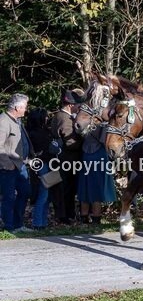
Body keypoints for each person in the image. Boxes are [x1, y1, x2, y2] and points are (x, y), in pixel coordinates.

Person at [77, 109, 117, 224]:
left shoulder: (85, 122)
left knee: (85, 187)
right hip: (99, 156)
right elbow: (104, 141)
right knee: (97, 189)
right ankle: (96, 218)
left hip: (85, 155)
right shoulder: (103, 125)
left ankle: (84, 217)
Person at [0, 94, 32, 233]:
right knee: (9, 197)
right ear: (17, 107)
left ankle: (18, 224)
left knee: (25, 193)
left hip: (20, 165)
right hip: (8, 167)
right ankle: (8, 226)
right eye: (24, 107)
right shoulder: (3, 121)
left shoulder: (17, 121)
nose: (26, 109)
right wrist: (8, 164)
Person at [49, 89, 82, 225]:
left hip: (61, 159)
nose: (78, 107)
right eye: (77, 105)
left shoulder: (59, 115)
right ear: (70, 105)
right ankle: (66, 216)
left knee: (63, 189)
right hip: (67, 160)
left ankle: (65, 215)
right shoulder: (65, 118)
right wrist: (84, 141)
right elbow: (70, 143)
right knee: (66, 190)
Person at [25, 108, 55, 229]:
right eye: (45, 116)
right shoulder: (37, 133)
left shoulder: (35, 132)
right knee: (43, 194)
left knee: (47, 195)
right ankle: (38, 222)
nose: (47, 118)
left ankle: (43, 221)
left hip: (48, 164)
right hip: (43, 164)